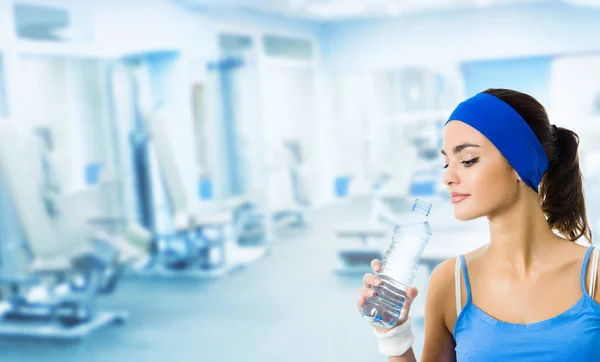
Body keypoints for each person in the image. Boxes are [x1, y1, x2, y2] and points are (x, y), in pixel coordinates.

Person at [357, 88, 600, 361]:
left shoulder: (595, 276)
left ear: (520, 162)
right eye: (446, 163)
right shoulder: (450, 282)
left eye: (467, 160)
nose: (448, 177)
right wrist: (394, 336)